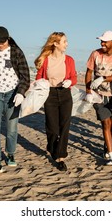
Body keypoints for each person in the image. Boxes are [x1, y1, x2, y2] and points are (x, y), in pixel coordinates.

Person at [0, 26, 30, 175]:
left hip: (12, 94)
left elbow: (25, 77)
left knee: (11, 129)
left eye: (2, 42)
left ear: (8, 39)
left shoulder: (16, 52)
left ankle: (10, 153)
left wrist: (21, 93)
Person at [35, 32, 77, 171]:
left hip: (65, 94)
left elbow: (74, 77)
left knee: (64, 126)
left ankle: (61, 158)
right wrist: (42, 86)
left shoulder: (69, 60)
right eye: (64, 41)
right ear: (55, 43)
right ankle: (52, 147)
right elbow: (39, 78)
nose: (67, 44)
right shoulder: (45, 59)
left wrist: (70, 81)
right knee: (52, 127)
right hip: (50, 94)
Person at [85, 30, 112, 166]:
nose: (102, 43)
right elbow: (89, 72)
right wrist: (88, 91)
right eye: (101, 41)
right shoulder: (95, 54)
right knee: (106, 124)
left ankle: (107, 145)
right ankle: (111, 156)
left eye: (105, 41)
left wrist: (103, 78)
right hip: (99, 96)